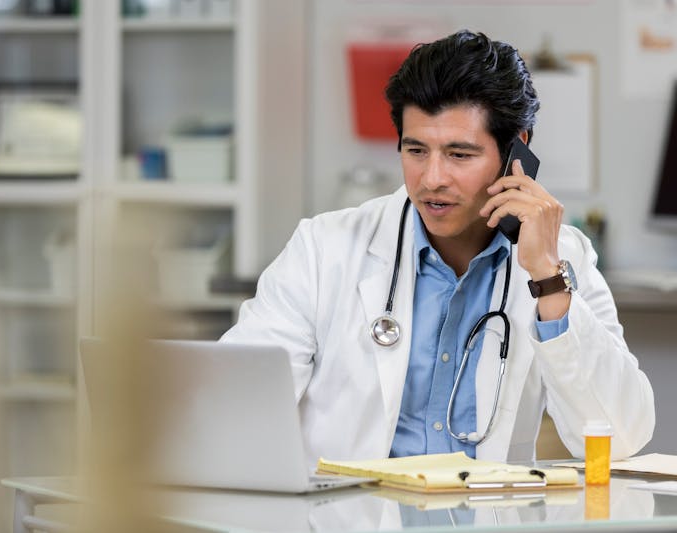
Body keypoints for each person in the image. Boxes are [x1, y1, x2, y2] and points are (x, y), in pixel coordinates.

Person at [221, 30, 654, 467]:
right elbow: (233, 407)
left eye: (459, 155)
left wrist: (547, 280)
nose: (431, 179)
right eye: (415, 150)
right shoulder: (323, 250)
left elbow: (619, 436)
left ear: (517, 148)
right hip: (350, 519)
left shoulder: (562, 260)